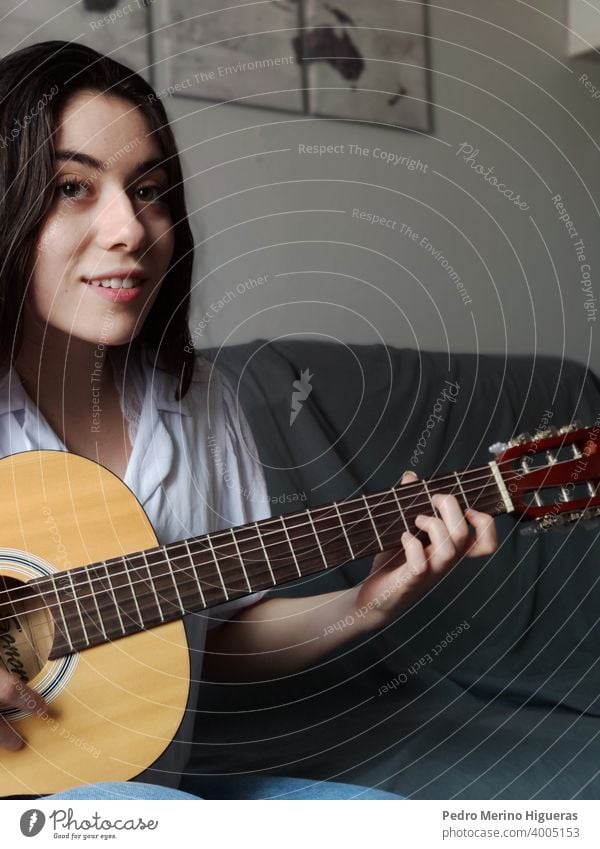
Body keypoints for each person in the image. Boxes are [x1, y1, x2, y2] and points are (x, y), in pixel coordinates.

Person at [0, 41, 498, 801]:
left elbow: (214, 635)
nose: (130, 228)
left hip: (152, 790)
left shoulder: (201, 396)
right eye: (72, 186)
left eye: (150, 189)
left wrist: (363, 606)